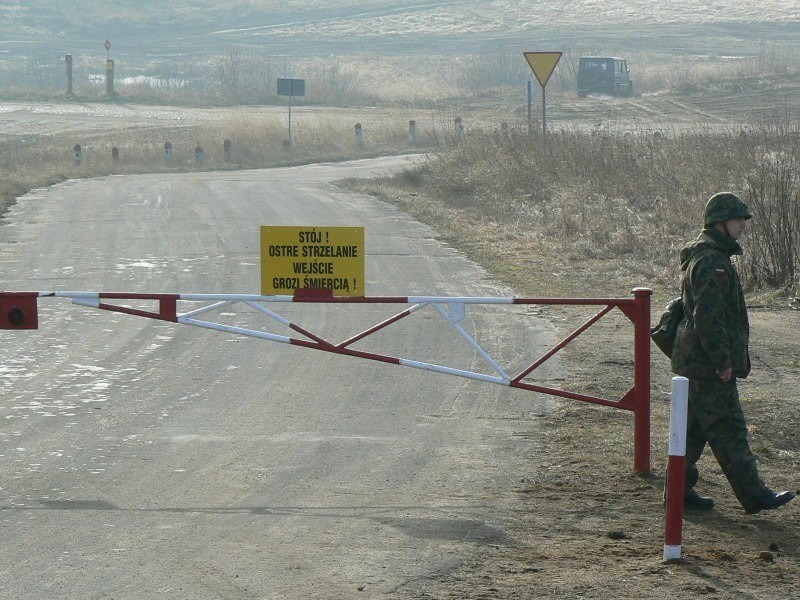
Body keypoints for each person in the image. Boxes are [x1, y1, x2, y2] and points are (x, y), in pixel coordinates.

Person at [671, 192, 795, 514]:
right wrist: (722, 363)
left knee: (693, 430)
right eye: (738, 219)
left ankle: (679, 491)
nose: (743, 225)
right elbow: (708, 319)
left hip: (694, 361)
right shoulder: (712, 262)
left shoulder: (707, 256)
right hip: (707, 364)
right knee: (729, 427)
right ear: (721, 223)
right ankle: (755, 496)